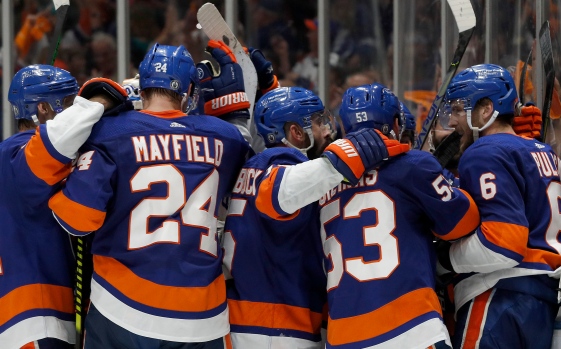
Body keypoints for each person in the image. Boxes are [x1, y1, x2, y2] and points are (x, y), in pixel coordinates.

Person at [48, 44, 252, 348]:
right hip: (202, 316)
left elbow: (75, 219)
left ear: (141, 88)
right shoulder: (225, 136)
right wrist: (236, 110)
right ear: (190, 90)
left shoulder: (110, 132)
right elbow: (244, 149)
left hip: (122, 308)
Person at [223, 85, 411, 349]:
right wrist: (348, 155)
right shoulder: (283, 163)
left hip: (242, 321)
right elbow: (275, 192)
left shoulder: (254, 165)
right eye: (319, 121)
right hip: (277, 327)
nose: (328, 129)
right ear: (296, 133)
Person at [318, 83, 480, 349]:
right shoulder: (413, 165)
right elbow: (465, 223)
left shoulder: (323, 184)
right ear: (394, 123)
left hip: (343, 336)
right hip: (411, 329)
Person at [439, 63, 561, 349]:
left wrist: (444, 259)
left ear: (486, 109)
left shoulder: (483, 152)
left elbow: (503, 244)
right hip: (541, 301)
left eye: (460, 109)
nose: (452, 122)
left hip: (498, 296)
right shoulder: (545, 152)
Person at [0, 65, 127, 349]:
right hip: (32, 315)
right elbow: (55, 140)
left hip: (40, 312)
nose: (76, 110)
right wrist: (102, 99)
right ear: (43, 108)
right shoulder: (18, 156)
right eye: (69, 103)